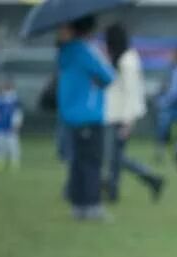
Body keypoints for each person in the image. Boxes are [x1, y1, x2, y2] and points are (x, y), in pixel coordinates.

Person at [57, 15, 115, 220]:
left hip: (70, 115)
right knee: (92, 162)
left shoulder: (65, 51)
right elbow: (109, 76)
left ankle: (78, 205)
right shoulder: (85, 51)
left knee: (77, 162)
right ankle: (92, 206)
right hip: (89, 114)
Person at [104, 23, 164, 203]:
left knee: (114, 156)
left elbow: (132, 92)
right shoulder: (120, 59)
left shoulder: (128, 61)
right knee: (115, 157)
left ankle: (151, 177)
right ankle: (113, 190)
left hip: (122, 116)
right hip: (114, 115)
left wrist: (128, 121)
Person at [0, 78, 23, 171]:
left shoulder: (15, 100)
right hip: (0, 126)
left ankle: (15, 163)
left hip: (11, 127)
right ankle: (0, 163)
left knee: (13, 146)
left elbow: (18, 114)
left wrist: (16, 125)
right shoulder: (0, 100)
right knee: (0, 146)